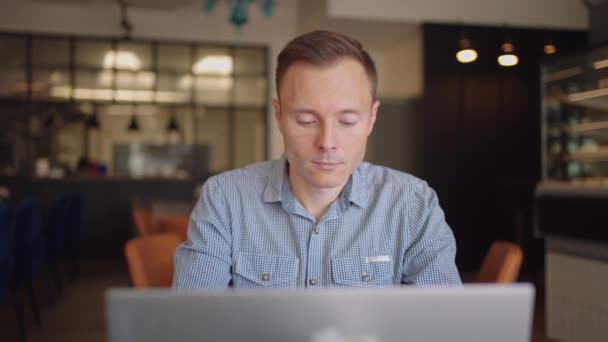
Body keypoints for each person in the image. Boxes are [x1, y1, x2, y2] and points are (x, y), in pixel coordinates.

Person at [173, 30, 461, 289]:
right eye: (307, 120)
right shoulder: (225, 199)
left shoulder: (412, 203)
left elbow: (444, 326)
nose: (327, 142)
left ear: (371, 118)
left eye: (347, 121)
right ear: (279, 115)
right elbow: (190, 325)